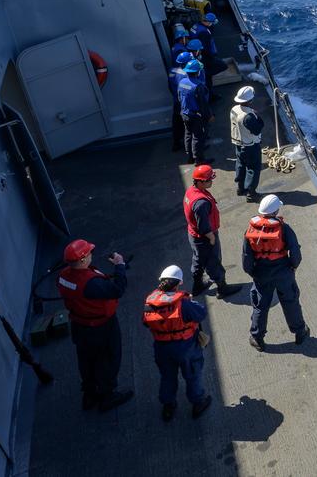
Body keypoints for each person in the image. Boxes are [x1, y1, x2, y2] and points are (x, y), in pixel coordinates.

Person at [55, 238, 133, 411]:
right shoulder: (92, 284)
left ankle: (89, 395)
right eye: (89, 253)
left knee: (87, 361)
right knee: (109, 359)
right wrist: (120, 266)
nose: (91, 255)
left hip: (79, 326)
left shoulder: (63, 277)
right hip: (101, 328)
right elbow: (117, 290)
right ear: (82, 260)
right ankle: (107, 395)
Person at [142, 264, 212, 421]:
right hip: (185, 346)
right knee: (192, 375)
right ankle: (197, 403)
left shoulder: (150, 303)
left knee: (167, 377)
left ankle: (168, 405)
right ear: (179, 283)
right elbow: (201, 314)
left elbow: (146, 323)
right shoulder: (184, 304)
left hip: (162, 348)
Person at [242, 194, 307, 348]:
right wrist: (293, 266)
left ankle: (257, 337)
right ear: (276, 211)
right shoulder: (284, 228)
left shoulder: (250, 230)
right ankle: (300, 332)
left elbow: (246, 256)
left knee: (260, 305)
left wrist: (252, 272)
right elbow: (295, 252)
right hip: (283, 270)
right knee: (290, 301)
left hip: (261, 272)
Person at [183, 164, 228, 297]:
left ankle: (197, 286)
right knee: (214, 262)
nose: (211, 181)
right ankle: (222, 288)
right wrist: (212, 238)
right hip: (205, 237)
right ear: (200, 182)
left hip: (193, 234)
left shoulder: (191, 191)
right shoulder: (201, 203)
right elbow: (204, 227)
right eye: (209, 180)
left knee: (198, 259)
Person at [229, 85, 265, 199]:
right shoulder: (248, 116)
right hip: (250, 146)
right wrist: (258, 117)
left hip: (238, 144)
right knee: (253, 169)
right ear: (250, 100)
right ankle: (251, 193)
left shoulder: (234, 109)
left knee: (240, 165)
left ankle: (240, 188)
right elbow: (257, 129)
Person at [178, 60, 207, 162]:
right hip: (194, 115)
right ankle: (199, 160)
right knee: (197, 137)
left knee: (188, 134)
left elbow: (179, 97)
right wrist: (206, 116)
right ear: (197, 72)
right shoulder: (198, 85)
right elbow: (203, 103)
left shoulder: (181, 82)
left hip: (184, 112)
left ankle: (189, 156)